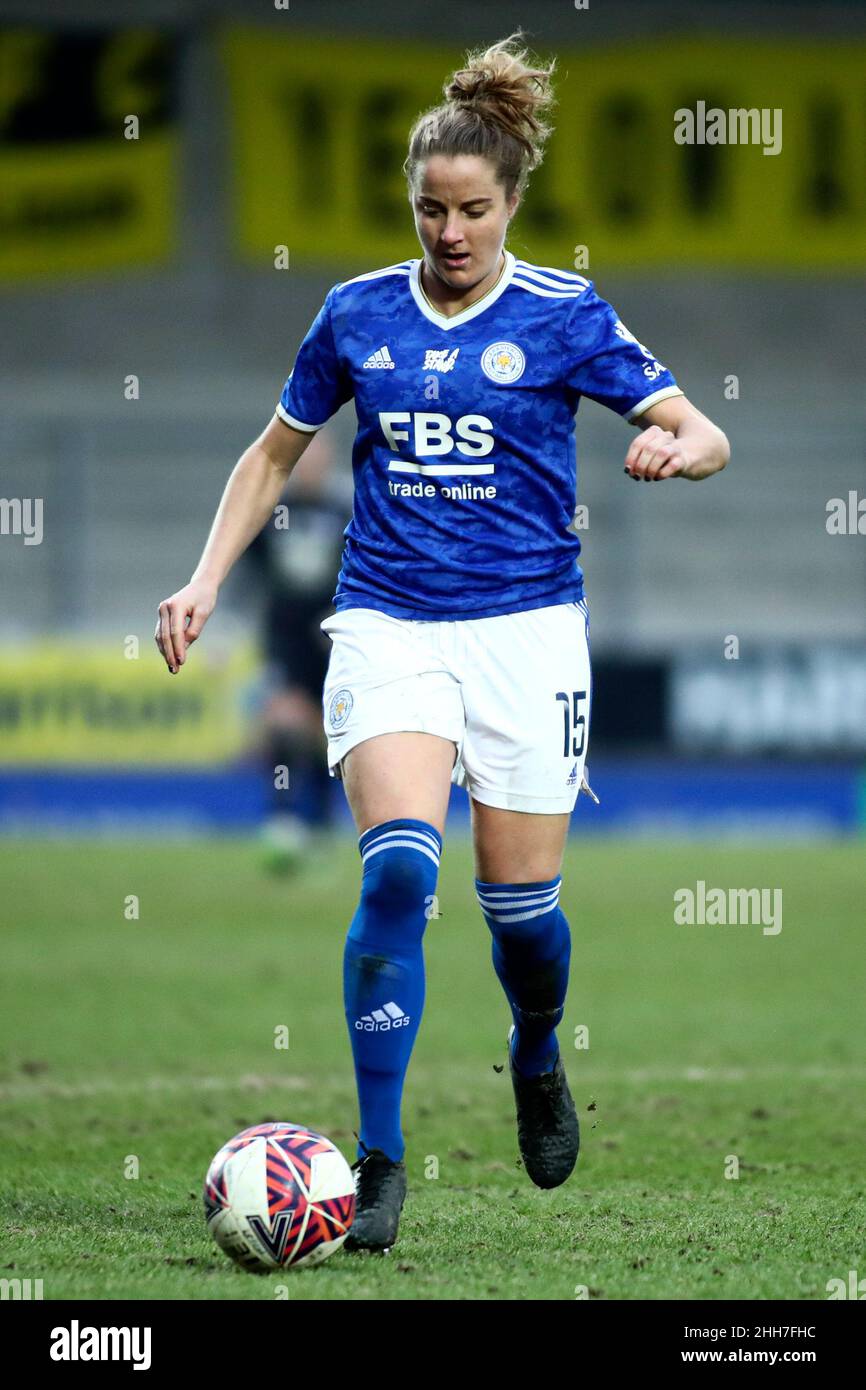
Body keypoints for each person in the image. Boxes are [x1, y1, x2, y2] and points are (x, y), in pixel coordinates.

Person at [155, 33, 729, 1254]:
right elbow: (271, 455)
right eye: (430, 210)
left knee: (519, 918)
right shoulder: (355, 312)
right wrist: (205, 577)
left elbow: (701, 427)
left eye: (471, 210)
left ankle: (532, 1048)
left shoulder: (565, 314)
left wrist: (676, 448)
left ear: (512, 204)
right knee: (398, 874)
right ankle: (378, 1162)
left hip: (527, 636)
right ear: (409, 207)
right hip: (387, 623)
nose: (449, 231)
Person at [244, 433, 351, 870]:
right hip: (284, 634)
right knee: (285, 721)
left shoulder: (343, 511)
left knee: (327, 731)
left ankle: (323, 821)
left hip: (329, 635)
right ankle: (282, 818)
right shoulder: (273, 509)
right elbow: (249, 568)